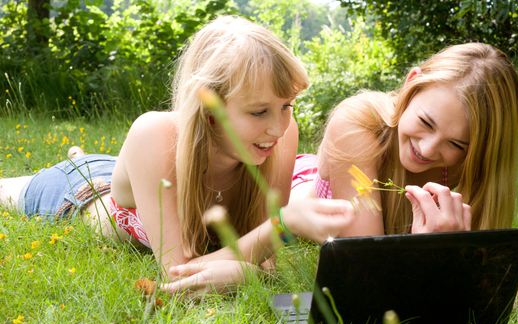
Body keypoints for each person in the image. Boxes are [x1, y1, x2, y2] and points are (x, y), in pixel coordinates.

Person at [0, 16, 355, 293]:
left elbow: (265, 263)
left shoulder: (280, 135)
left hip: (145, 173)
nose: (278, 128)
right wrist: (282, 224)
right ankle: (78, 159)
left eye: (287, 106)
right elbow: (179, 271)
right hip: (84, 191)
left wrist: (258, 255)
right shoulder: (153, 133)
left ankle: (89, 156)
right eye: (259, 112)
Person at [291, 42, 518, 237]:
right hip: (303, 181)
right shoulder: (358, 125)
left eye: (455, 144)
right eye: (426, 122)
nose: (428, 149)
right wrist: (428, 251)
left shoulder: (470, 163)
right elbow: (366, 262)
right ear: (411, 83)